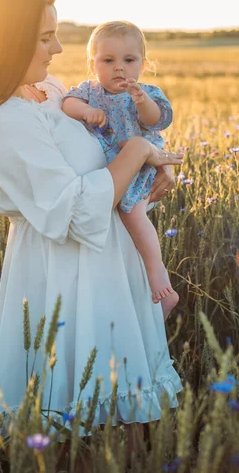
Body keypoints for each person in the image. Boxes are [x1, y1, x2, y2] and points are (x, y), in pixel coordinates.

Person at [0, 0, 183, 464]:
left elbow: (103, 149)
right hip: (64, 275)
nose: (60, 48)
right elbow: (71, 208)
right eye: (46, 36)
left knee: (124, 401)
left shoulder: (48, 93)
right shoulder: (6, 122)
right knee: (74, 410)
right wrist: (138, 152)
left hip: (107, 262)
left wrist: (153, 158)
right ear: (11, 39)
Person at [62, 21, 179, 320]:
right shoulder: (89, 91)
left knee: (133, 214)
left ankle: (160, 280)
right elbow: (67, 103)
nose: (119, 69)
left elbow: (156, 120)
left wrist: (142, 102)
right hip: (115, 166)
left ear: (143, 63)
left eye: (129, 60)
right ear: (92, 64)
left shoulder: (147, 93)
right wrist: (86, 111)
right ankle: (135, 285)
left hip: (141, 167)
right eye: (108, 60)